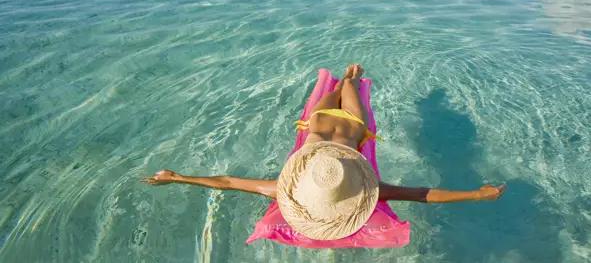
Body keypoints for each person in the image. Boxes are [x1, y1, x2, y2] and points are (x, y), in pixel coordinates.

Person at [142, 64, 506, 240]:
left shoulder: (289, 185)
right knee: (349, 87)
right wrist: (477, 194)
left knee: (339, 87)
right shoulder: (370, 188)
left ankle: (347, 76)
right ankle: (351, 76)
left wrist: (177, 178)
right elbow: (421, 195)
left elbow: (228, 182)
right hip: (340, 124)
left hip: (326, 121)